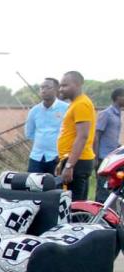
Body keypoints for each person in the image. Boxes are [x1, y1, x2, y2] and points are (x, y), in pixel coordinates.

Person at [56, 71, 96, 201]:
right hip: (73, 160)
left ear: (78, 85)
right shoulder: (75, 104)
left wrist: (69, 166)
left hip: (77, 162)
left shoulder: (81, 104)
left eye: (65, 85)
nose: (61, 89)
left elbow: (82, 136)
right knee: (70, 203)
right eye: (60, 86)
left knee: (74, 205)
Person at [24, 78, 68, 174]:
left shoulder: (66, 108)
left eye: (47, 87)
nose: (43, 90)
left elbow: (70, 133)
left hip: (57, 157)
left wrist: (61, 152)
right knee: (32, 182)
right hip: (36, 157)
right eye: (41, 88)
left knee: (56, 183)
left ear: (56, 90)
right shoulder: (34, 111)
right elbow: (29, 133)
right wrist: (43, 140)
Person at [92, 87, 124, 202]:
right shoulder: (106, 114)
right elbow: (97, 136)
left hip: (112, 159)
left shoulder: (117, 115)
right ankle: (98, 211)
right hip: (103, 158)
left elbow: (111, 138)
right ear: (118, 97)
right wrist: (95, 158)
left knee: (112, 188)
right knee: (103, 188)